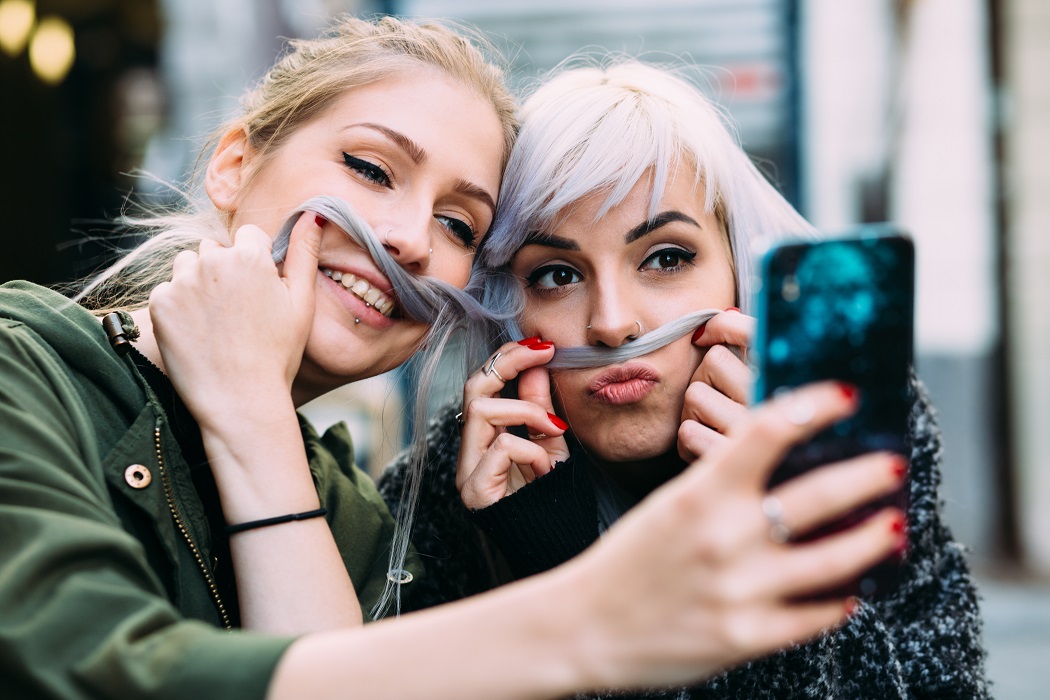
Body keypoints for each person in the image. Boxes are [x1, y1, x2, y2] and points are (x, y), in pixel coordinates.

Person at [0, 14, 907, 700]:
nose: (406, 240)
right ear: (234, 164)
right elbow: (78, 664)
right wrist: (587, 608)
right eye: (369, 168)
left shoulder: (360, 513)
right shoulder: (24, 362)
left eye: (458, 224)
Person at [379, 58, 991, 698]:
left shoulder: (854, 443)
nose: (613, 326)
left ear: (737, 272)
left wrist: (780, 553)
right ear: (510, 308)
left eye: (666, 258)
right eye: (557, 274)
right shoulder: (440, 502)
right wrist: (563, 575)